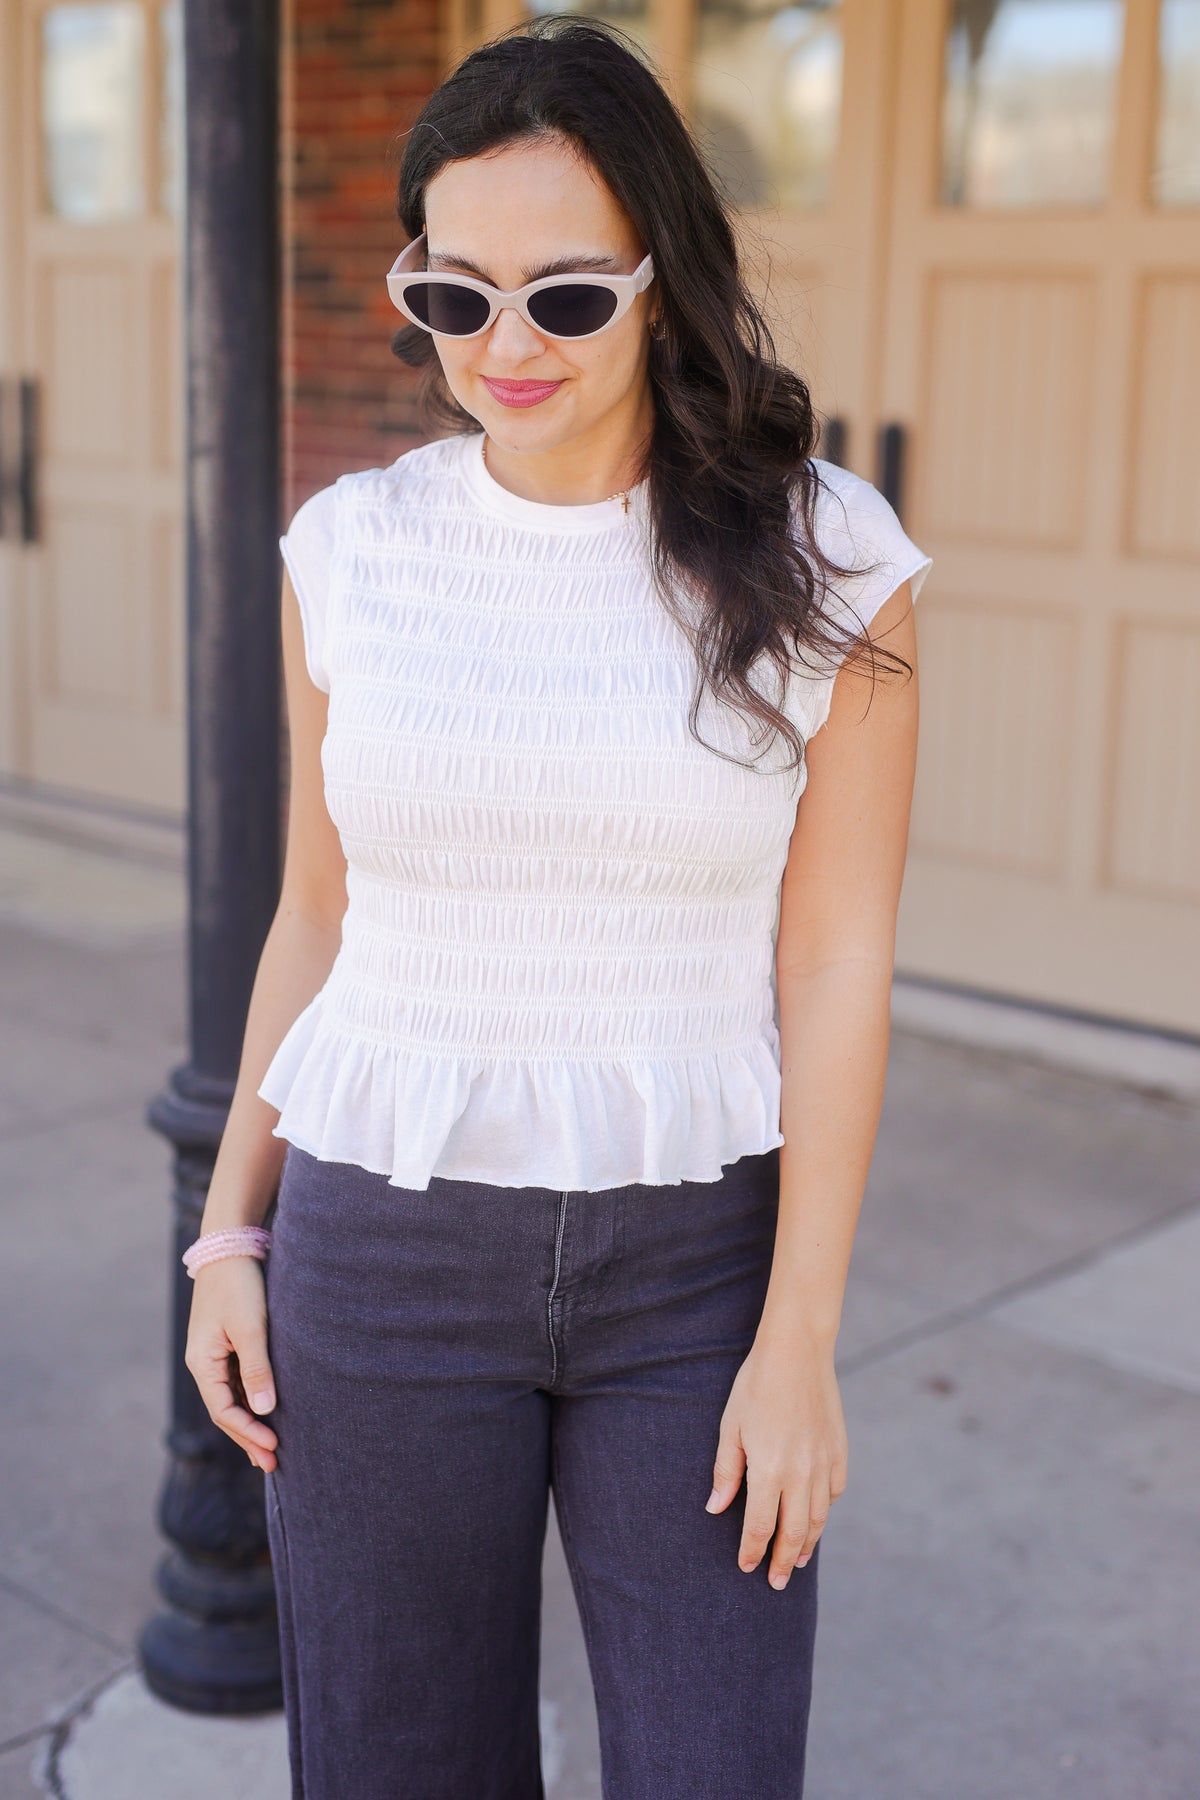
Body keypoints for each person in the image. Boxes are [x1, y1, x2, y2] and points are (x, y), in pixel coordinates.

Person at [183, 16, 931, 1798]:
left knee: (714, 1765)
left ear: (664, 281)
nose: (505, 347)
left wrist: (803, 1342)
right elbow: (315, 915)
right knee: (394, 1768)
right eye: (455, 298)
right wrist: (229, 1233)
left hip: (696, 1273)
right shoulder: (350, 554)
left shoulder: (833, 559)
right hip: (381, 1248)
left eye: (568, 298)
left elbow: (835, 961)